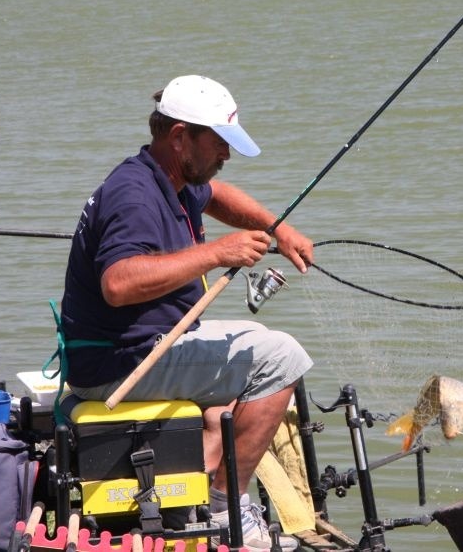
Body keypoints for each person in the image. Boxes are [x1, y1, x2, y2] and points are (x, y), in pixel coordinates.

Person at [60, 75, 313, 551]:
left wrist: (276, 229)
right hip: (122, 364)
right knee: (283, 357)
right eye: (219, 144)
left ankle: (210, 467)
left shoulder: (172, 178)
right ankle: (227, 505)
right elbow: (118, 284)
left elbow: (216, 195)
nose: (226, 156)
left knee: (254, 334)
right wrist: (218, 252)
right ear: (179, 137)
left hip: (140, 347)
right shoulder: (133, 194)